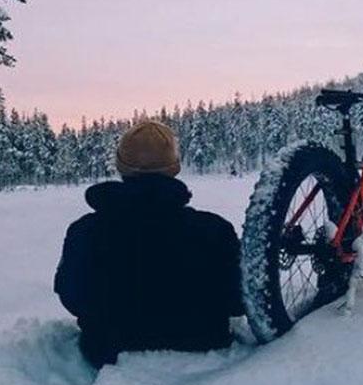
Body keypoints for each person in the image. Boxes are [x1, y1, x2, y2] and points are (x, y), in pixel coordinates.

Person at [54, 120, 244, 368]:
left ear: (120, 166)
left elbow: (71, 296)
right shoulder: (214, 230)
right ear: (174, 168)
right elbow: (239, 301)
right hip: (204, 353)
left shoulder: (84, 231)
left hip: (108, 354)